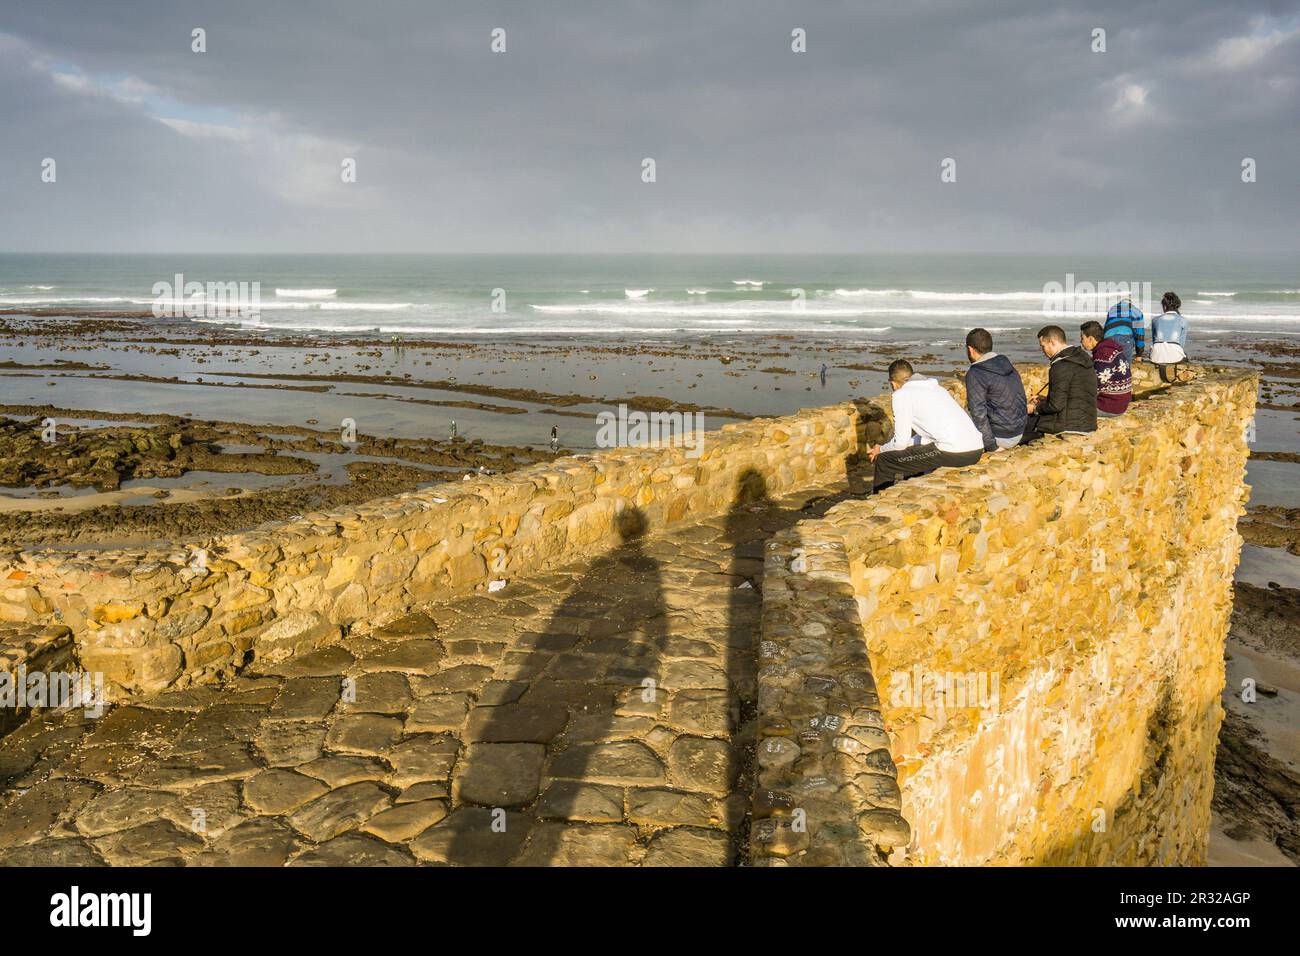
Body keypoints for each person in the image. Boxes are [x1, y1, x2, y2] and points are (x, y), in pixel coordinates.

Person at [868, 359, 984, 492]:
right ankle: (906, 492)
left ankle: (881, 500)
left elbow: (900, 443)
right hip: (976, 448)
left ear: (893, 384)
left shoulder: (901, 395)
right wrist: (885, 447)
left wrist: (880, 449)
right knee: (913, 453)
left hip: (955, 452)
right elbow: (923, 438)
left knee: (885, 461)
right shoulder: (936, 388)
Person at [1022, 325, 1098, 442]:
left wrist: (1034, 408)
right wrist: (1046, 399)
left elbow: (1056, 406)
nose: (1042, 351)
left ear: (1052, 342)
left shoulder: (1061, 365)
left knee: (1020, 423)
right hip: (1088, 420)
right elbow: (1074, 393)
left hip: (1069, 424)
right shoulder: (1081, 357)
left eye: (1043, 346)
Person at [963, 327, 1028, 450]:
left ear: (970, 349)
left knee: (962, 413)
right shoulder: (1005, 363)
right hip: (1019, 431)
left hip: (1001, 438)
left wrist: (992, 447)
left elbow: (978, 413)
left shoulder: (976, 372)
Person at [1079, 320, 1131, 416]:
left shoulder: (1102, 355)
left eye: (1082, 338)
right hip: (1120, 403)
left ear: (1090, 339)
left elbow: (1096, 385)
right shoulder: (1111, 348)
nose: (1081, 342)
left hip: (1109, 406)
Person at [1150, 291, 1190, 383]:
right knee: (1184, 356)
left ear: (1164, 306)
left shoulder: (1155, 320)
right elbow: (1181, 344)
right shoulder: (1183, 320)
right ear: (1177, 306)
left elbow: (1154, 341)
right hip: (1174, 356)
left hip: (1156, 356)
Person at [1104, 297, 1146, 366]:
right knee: (1125, 369)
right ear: (1131, 304)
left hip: (1108, 337)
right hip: (1124, 337)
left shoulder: (1112, 309)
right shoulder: (1137, 312)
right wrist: (1139, 354)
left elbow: (1106, 327)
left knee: (1109, 367)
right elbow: (1140, 335)